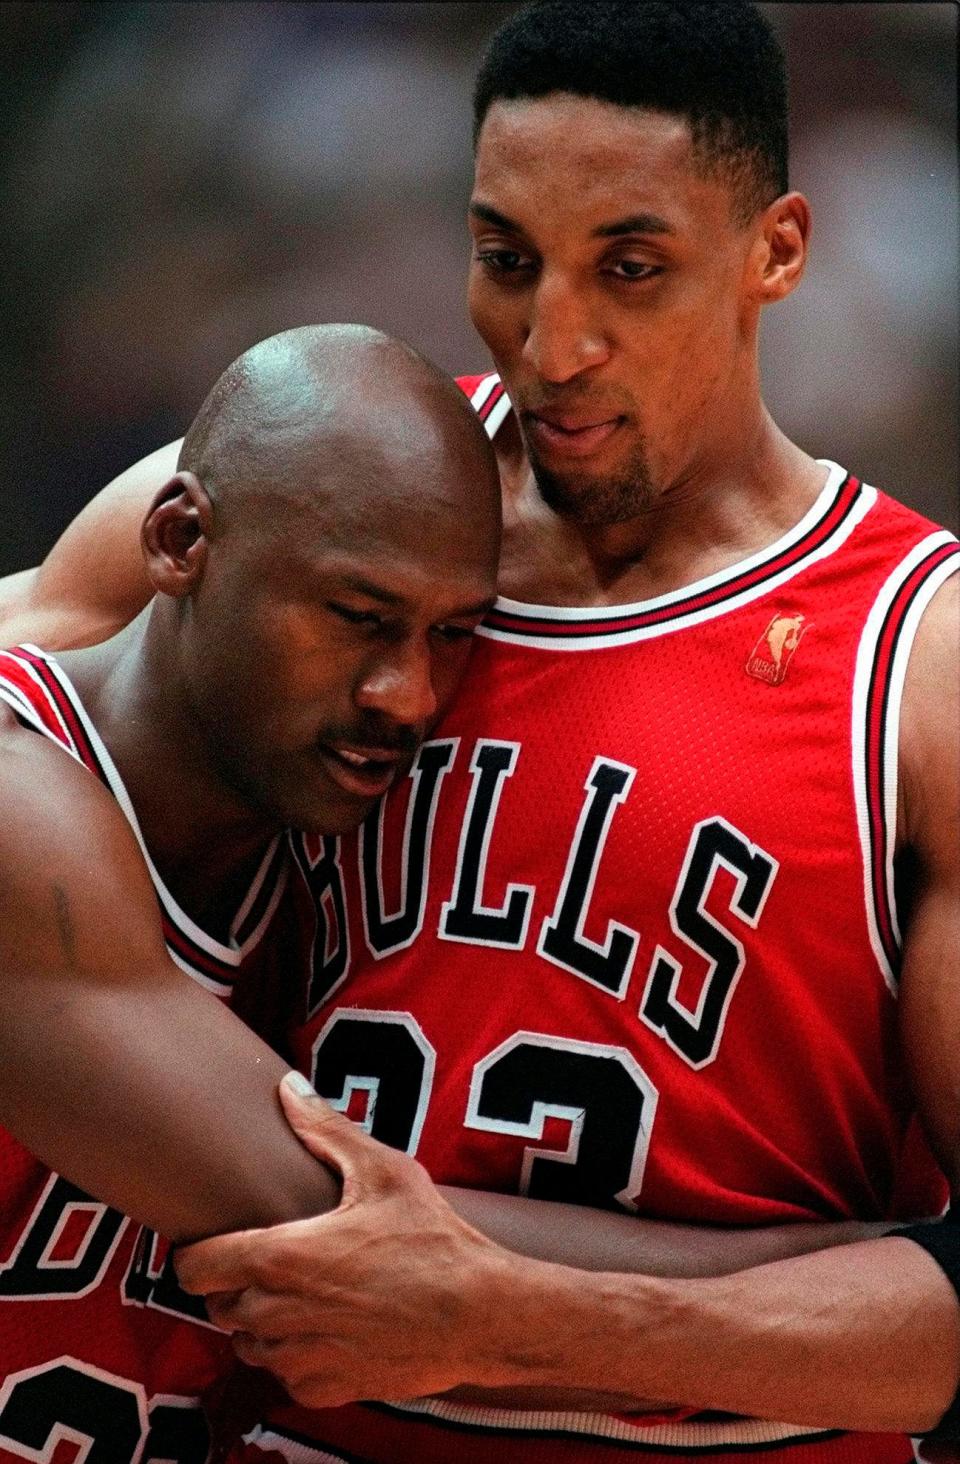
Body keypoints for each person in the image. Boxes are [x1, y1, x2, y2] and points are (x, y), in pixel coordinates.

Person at [1, 3, 958, 1463]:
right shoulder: (328, 488)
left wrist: (522, 1316)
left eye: (629, 268)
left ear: (777, 249)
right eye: (508, 260)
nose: (551, 341)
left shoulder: (921, 658)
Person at [0, 321, 508, 1458]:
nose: (407, 695)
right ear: (180, 544)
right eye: (358, 618)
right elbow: (367, 1250)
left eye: (453, 634)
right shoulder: (16, 801)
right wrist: (882, 1283)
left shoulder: (313, 846)